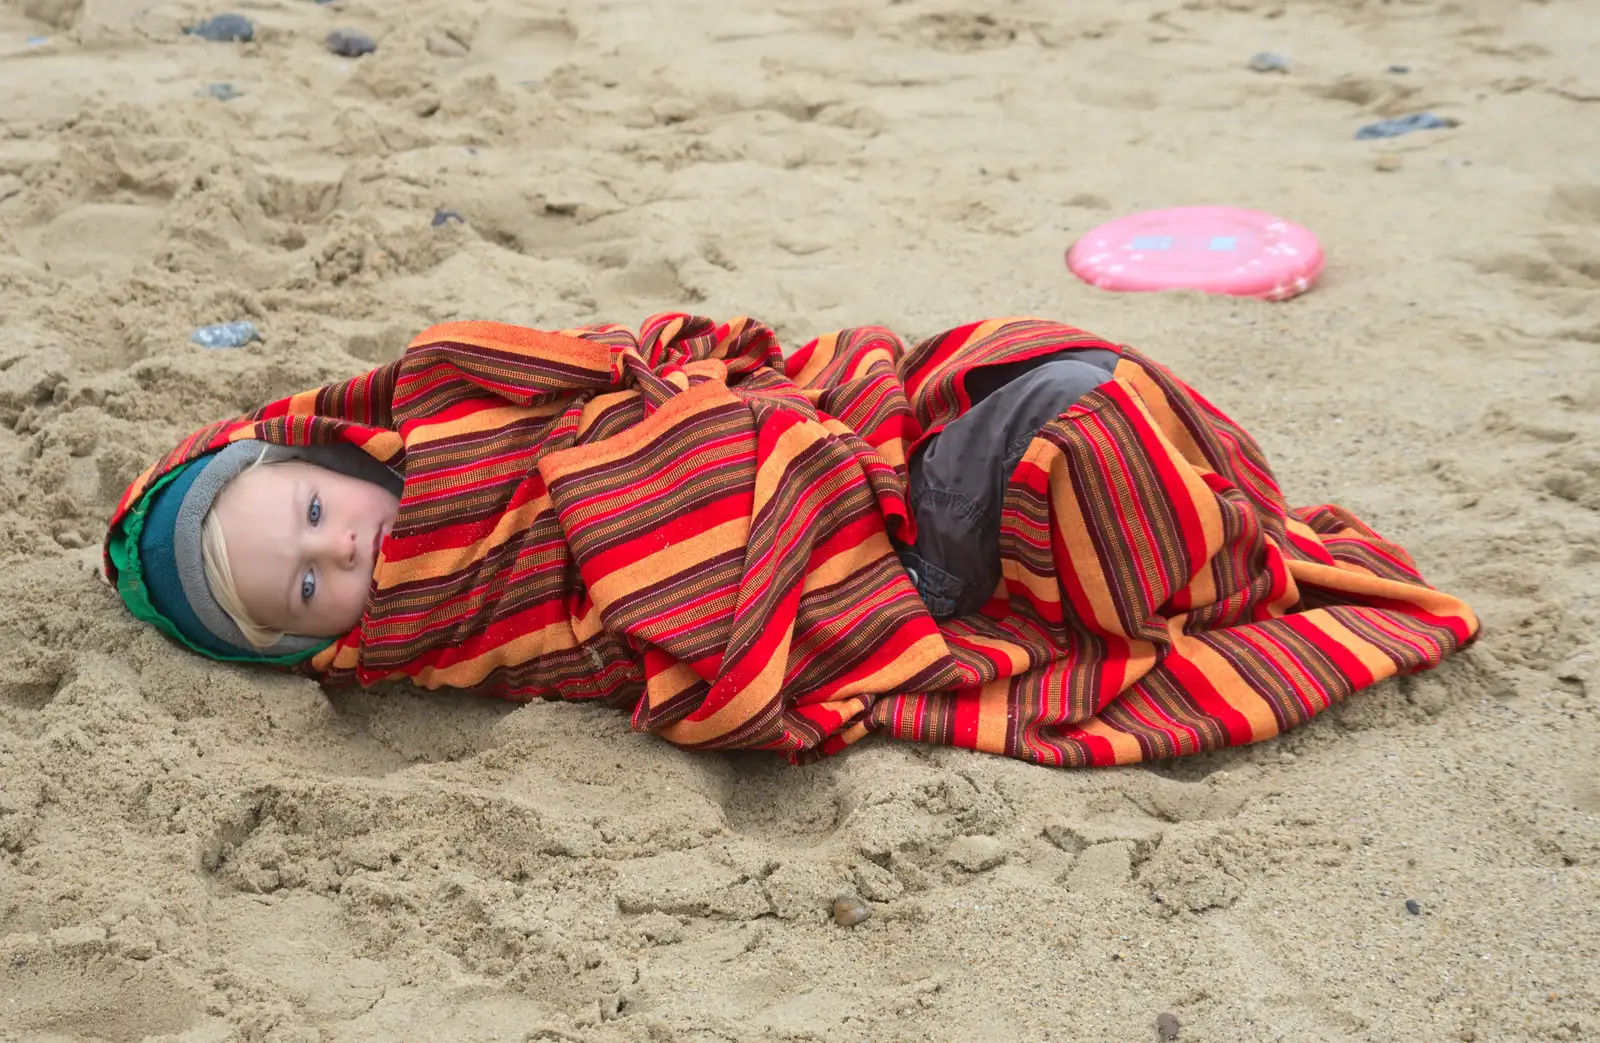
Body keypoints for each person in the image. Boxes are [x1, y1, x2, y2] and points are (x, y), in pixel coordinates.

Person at [103, 313, 1479, 766]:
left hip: (839, 448)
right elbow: (624, 635)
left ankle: (1193, 529)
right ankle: (1192, 553)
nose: (335, 554)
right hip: (850, 568)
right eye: (301, 591)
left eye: (309, 515)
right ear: (321, 640)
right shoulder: (444, 629)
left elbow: (644, 355)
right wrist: (718, 504)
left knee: (1037, 369)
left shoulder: (452, 400)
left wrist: (704, 397)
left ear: (315, 459)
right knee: (1082, 422)